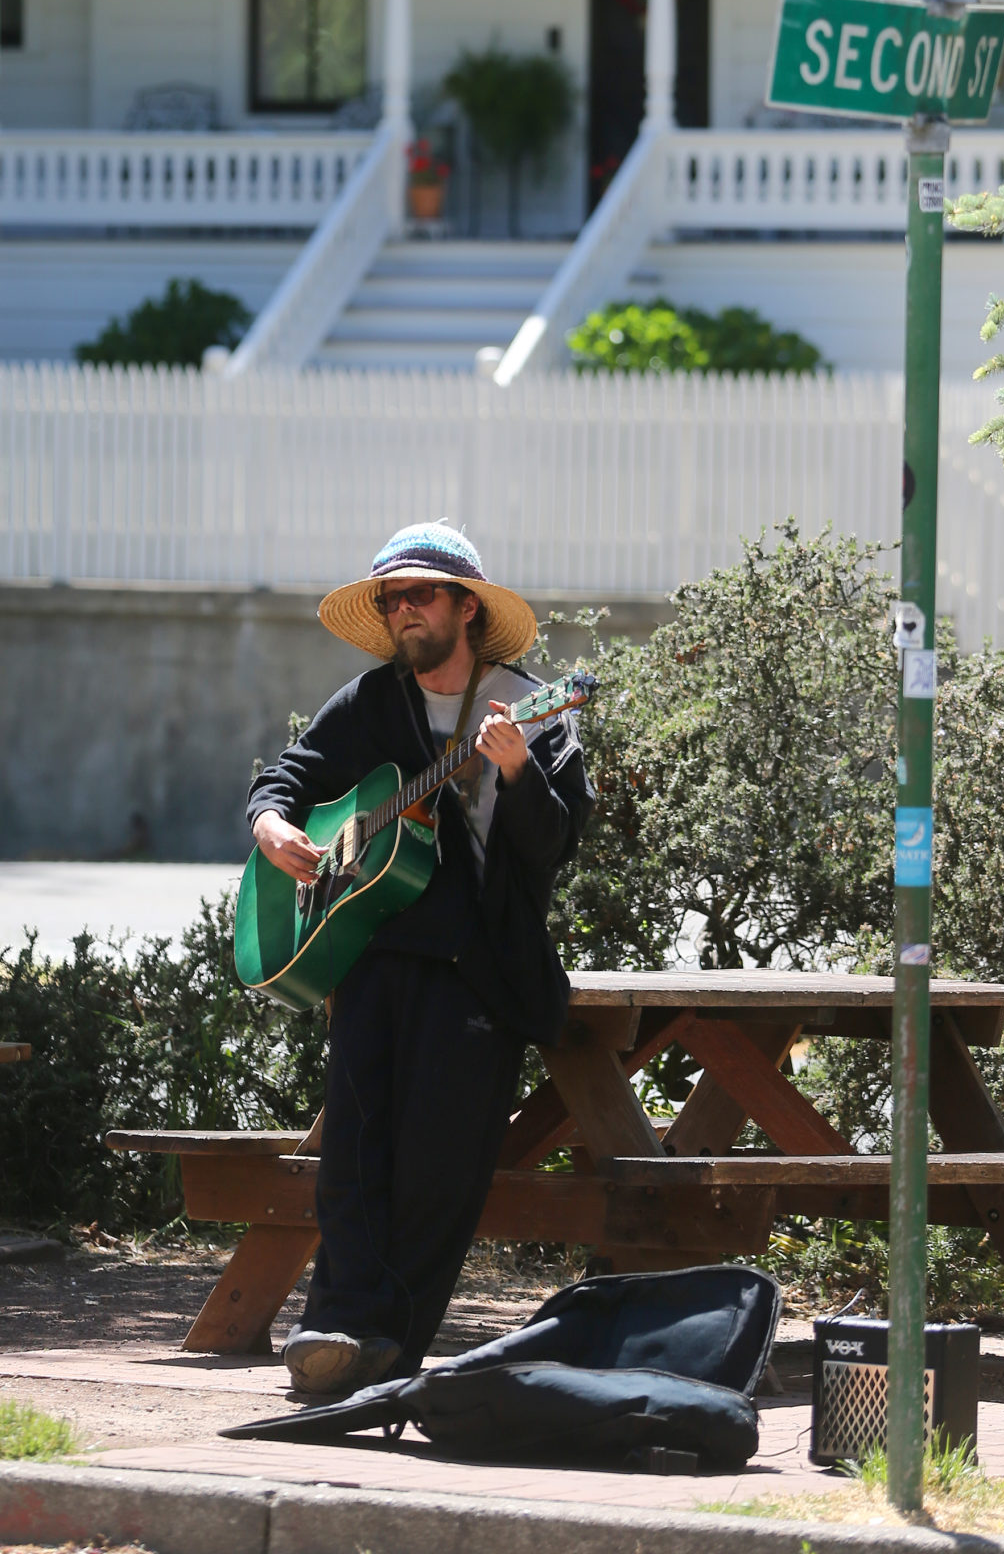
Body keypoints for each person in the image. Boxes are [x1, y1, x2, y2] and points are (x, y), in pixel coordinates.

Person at [246, 519, 593, 1399]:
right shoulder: (369, 703)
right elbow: (286, 777)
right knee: (355, 1157)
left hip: (475, 972)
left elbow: (554, 846)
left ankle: (388, 1344)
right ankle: (333, 1326)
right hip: (371, 959)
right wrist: (272, 825)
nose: (403, 611)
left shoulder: (528, 706)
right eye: (390, 598)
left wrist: (518, 773)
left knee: (438, 1170)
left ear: (465, 607)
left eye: (420, 595)